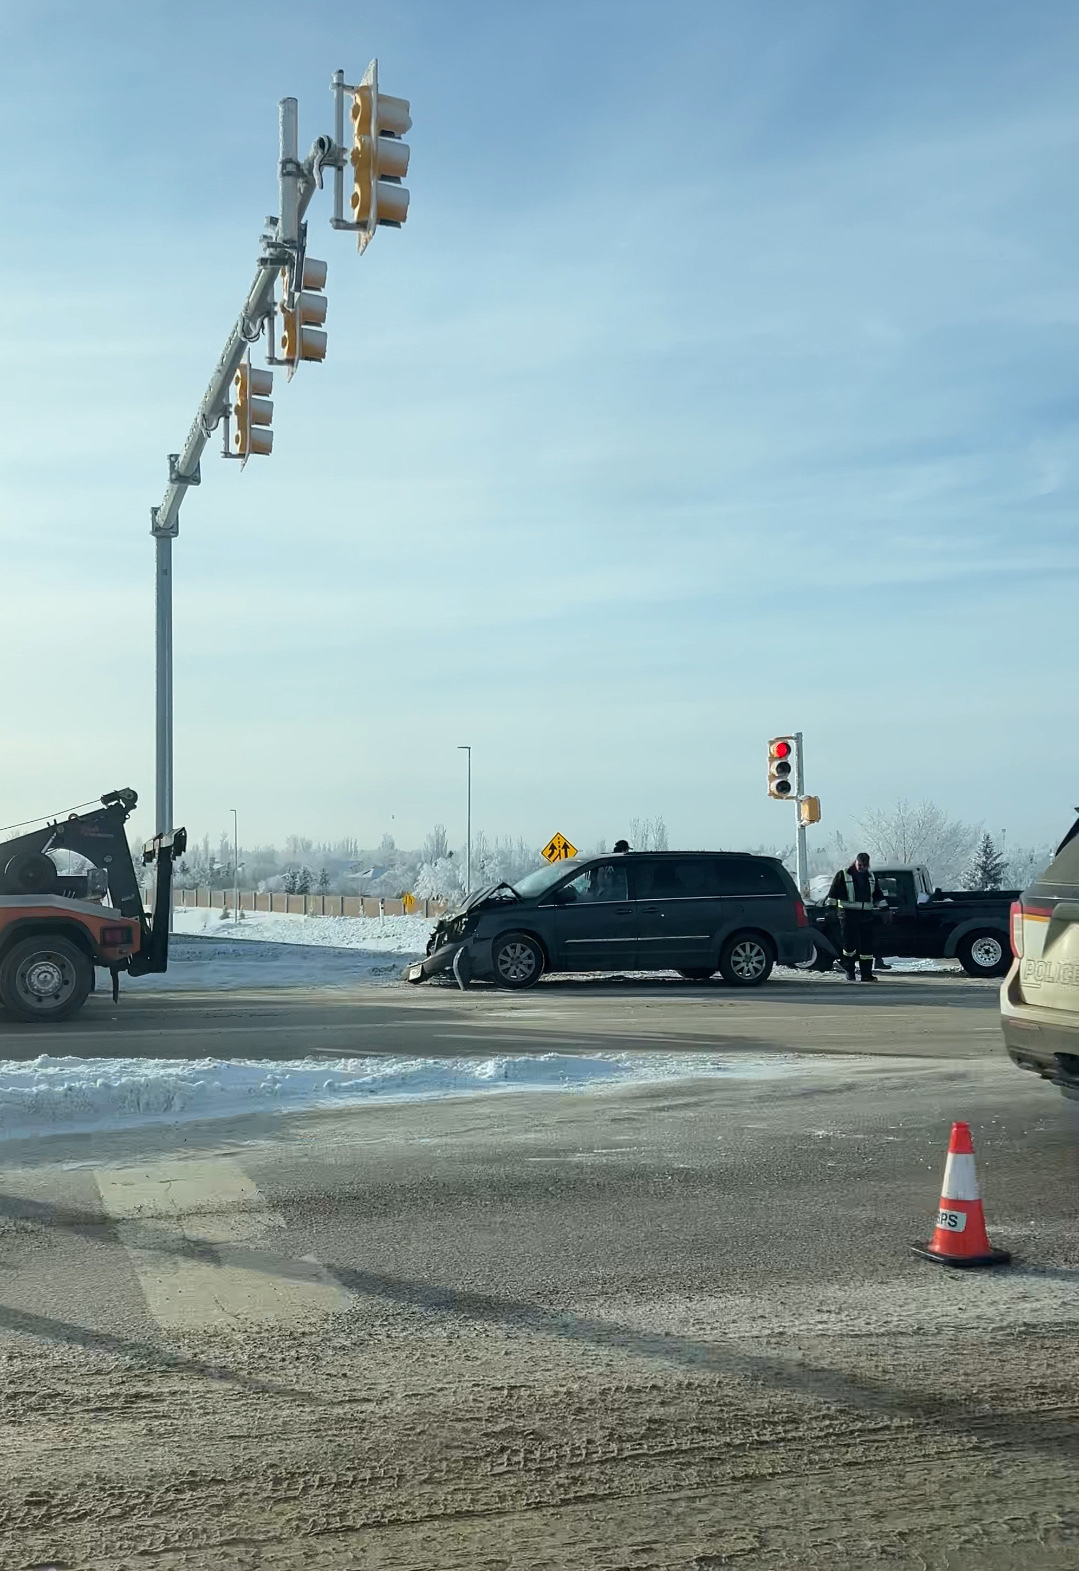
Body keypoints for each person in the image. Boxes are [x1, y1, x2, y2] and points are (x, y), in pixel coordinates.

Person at [824, 851, 889, 983]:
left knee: (867, 948)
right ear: (855, 862)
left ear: (868, 865)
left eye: (865, 865)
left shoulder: (870, 877)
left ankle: (866, 974)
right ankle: (850, 971)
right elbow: (832, 895)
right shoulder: (843, 875)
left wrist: (885, 909)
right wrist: (830, 912)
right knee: (850, 946)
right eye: (860, 865)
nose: (862, 868)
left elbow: (877, 895)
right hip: (848, 916)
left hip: (866, 916)